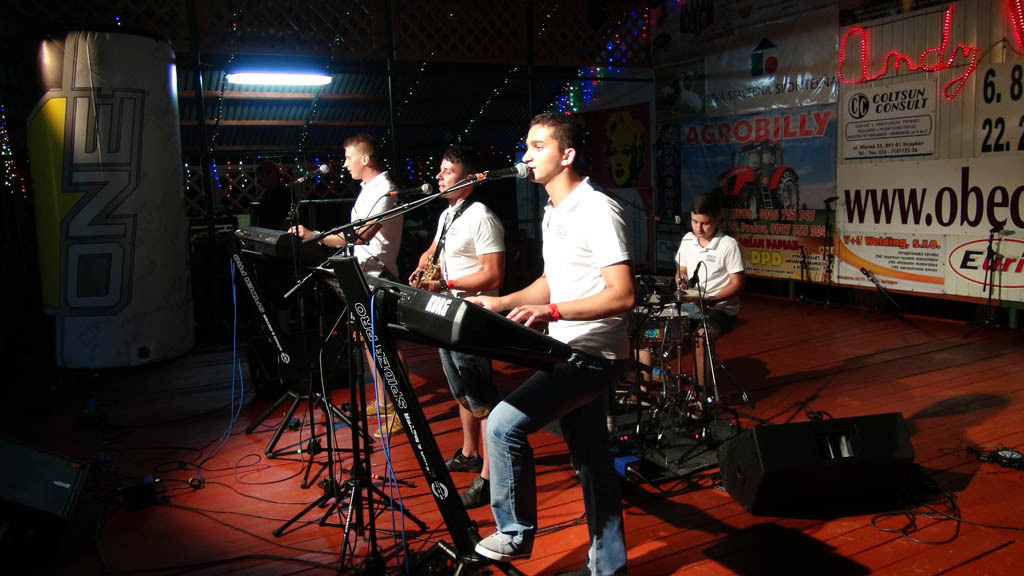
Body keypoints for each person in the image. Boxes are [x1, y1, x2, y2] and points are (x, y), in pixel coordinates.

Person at [468, 113, 633, 575]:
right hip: (568, 349)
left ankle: (515, 533)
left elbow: (623, 295)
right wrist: (503, 302)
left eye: (538, 146)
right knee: (592, 462)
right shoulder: (552, 210)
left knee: (501, 425)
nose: (526, 156)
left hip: (593, 354)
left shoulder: (597, 209)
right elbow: (551, 280)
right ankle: (609, 568)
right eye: (526, 146)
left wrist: (553, 312)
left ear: (567, 155)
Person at [408, 145, 505, 509]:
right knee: (462, 391)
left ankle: (489, 479)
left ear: (468, 179)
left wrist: (444, 284)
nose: (438, 176)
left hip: (472, 317)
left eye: (447, 171)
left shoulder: (482, 217)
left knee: (483, 398)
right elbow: (434, 250)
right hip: (447, 313)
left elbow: (493, 275)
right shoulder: (449, 213)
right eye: (440, 169)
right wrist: (422, 265)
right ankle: (469, 453)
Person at [290, 133, 405, 436]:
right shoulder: (369, 190)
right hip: (362, 274)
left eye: (349, 158)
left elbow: (361, 235)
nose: (345, 164)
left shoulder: (385, 190)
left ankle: (401, 409)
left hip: (379, 276)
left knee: (385, 345)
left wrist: (315, 236)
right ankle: (385, 401)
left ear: (365, 158)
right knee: (368, 342)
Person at [673, 192, 744, 388]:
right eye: (695, 222)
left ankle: (700, 393)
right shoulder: (687, 240)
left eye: (705, 223)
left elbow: (737, 283)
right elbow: (682, 270)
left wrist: (711, 299)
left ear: (718, 218)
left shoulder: (729, 245)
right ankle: (647, 387)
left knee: (701, 338)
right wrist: (681, 281)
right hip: (690, 306)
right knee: (653, 331)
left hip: (720, 310)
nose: (699, 228)